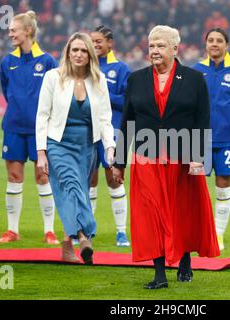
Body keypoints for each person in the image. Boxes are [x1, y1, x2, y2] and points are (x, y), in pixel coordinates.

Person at [113, 25, 219, 289]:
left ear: (175, 48)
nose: (155, 51)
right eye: (151, 46)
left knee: (180, 212)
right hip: (145, 159)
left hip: (183, 159)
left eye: (161, 45)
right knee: (151, 215)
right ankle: (159, 274)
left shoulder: (194, 79)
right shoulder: (136, 80)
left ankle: (184, 258)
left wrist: (198, 157)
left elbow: (202, 120)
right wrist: (119, 162)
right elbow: (127, 121)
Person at [36, 32, 115, 264]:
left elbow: (105, 119)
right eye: (75, 50)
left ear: (90, 54)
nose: (79, 55)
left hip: (86, 147)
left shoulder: (98, 79)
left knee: (77, 193)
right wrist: (41, 152)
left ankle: (67, 245)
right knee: (71, 186)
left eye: (83, 50)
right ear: (68, 53)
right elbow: (42, 115)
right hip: (57, 143)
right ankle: (84, 236)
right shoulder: (53, 77)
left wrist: (110, 147)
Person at [0, 11, 59, 244]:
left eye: (14, 30)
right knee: (14, 176)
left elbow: (57, 95)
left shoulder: (48, 61)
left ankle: (49, 231)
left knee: (43, 177)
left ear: (28, 32)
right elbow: (7, 91)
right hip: (13, 127)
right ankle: (12, 231)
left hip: (41, 131)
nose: (10, 33)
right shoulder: (7, 62)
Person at [193, 28, 230, 251]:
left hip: (228, 139)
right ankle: (200, 233)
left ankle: (218, 235)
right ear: (205, 44)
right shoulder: (196, 71)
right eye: (210, 40)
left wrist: (229, 122)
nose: (214, 44)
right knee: (196, 187)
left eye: (219, 41)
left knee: (223, 186)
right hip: (199, 139)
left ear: (227, 45)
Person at [89, 25, 131, 247]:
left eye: (98, 41)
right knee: (89, 179)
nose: (95, 45)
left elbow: (127, 102)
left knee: (114, 178)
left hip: (113, 131)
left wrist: (102, 94)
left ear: (110, 43)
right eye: (92, 41)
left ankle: (121, 232)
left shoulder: (121, 69)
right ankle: (89, 229)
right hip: (87, 130)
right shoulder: (84, 66)